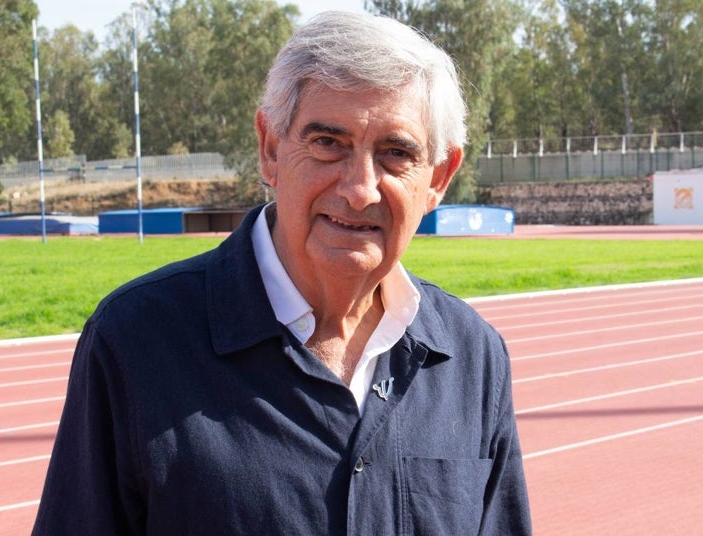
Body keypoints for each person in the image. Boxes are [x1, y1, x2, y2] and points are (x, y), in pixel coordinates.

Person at [32, 10, 531, 536]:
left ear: (438, 178)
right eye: (328, 143)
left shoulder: (474, 358)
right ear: (270, 148)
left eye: (395, 153)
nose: (360, 188)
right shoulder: (136, 343)